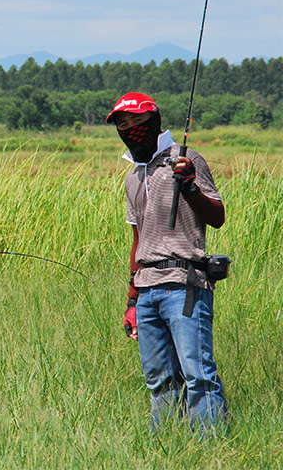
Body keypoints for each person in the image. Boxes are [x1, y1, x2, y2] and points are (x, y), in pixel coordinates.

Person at [106, 92, 228, 433]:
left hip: (184, 283)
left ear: (155, 121)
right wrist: (132, 299)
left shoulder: (187, 160)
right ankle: (166, 445)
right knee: (159, 380)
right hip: (146, 291)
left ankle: (211, 448)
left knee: (198, 375)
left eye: (138, 122)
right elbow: (137, 238)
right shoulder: (134, 175)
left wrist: (189, 187)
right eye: (123, 125)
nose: (131, 129)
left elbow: (217, 217)